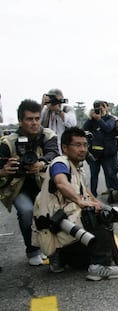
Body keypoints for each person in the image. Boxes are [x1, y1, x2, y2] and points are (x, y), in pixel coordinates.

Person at [32, 127, 118, 280]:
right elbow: (61, 183)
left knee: (105, 212)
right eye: (77, 145)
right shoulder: (60, 162)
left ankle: (61, 258)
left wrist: (113, 213)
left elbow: (89, 196)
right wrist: (80, 202)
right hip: (54, 230)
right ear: (64, 147)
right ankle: (98, 267)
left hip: (65, 229)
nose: (83, 149)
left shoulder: (76, 168)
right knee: (96, 215)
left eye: (85, 145)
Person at [0, 99, 59, 266]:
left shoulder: (48, 135)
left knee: (53, 213)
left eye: (37, 118)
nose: (34, 123)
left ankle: (54, 248)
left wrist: (40, 163)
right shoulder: (8, 142)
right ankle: (32, 250)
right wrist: (3, 171)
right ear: (20, 121)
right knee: (26, 212)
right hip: (18, 187)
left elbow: (53, 153)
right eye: (29, 119)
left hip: (44, 185)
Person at [83, 100, 118, 197]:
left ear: (105, 108)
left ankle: (114, 193)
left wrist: (99, 119)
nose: (99, 111)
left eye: (101, 108)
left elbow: (108, 128)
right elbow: (84, 130)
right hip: (94, 152)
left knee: (110, 173)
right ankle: (93, 195)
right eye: (97, 109)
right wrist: (91, 118)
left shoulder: (111, 119)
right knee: (94, 175)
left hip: (107, 152)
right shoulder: (92, 120)